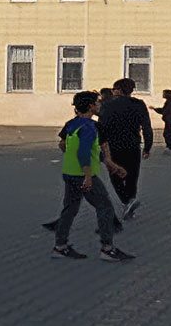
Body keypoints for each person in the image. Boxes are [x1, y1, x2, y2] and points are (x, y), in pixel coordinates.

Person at [50, 90, 135, 262]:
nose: (99, 105)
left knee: (69, 209)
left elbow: (82, 148)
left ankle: (60, 246)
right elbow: (83, 152)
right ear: (90, 106)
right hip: (83, 174)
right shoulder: (89, 126)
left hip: (70, 173)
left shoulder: (72, 124)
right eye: (97, 103)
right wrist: (88, 176)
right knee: (105, 207)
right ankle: (107, 249)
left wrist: (111, 165)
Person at [97, 78, 154, 218]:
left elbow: (101, 127)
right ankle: (130, 202)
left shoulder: (107, 105)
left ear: (119, 90)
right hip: (133, 145)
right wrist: (147, 147)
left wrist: (101, 145)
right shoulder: (139, 104)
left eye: (114, 89)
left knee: (115, 175)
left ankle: (126, 201)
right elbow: (146, 127)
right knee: (132, 177)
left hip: (113, 146)